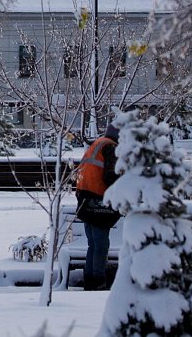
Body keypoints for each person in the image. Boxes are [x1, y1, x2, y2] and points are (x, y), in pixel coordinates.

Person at [76, 123, 122, 290]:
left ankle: (89, 279)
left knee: (93, 245)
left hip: (85, 199)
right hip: (99, 201)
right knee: (101, 245)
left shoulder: (98, 143)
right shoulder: (111, 147)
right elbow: (111, 176)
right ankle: (98, 281)